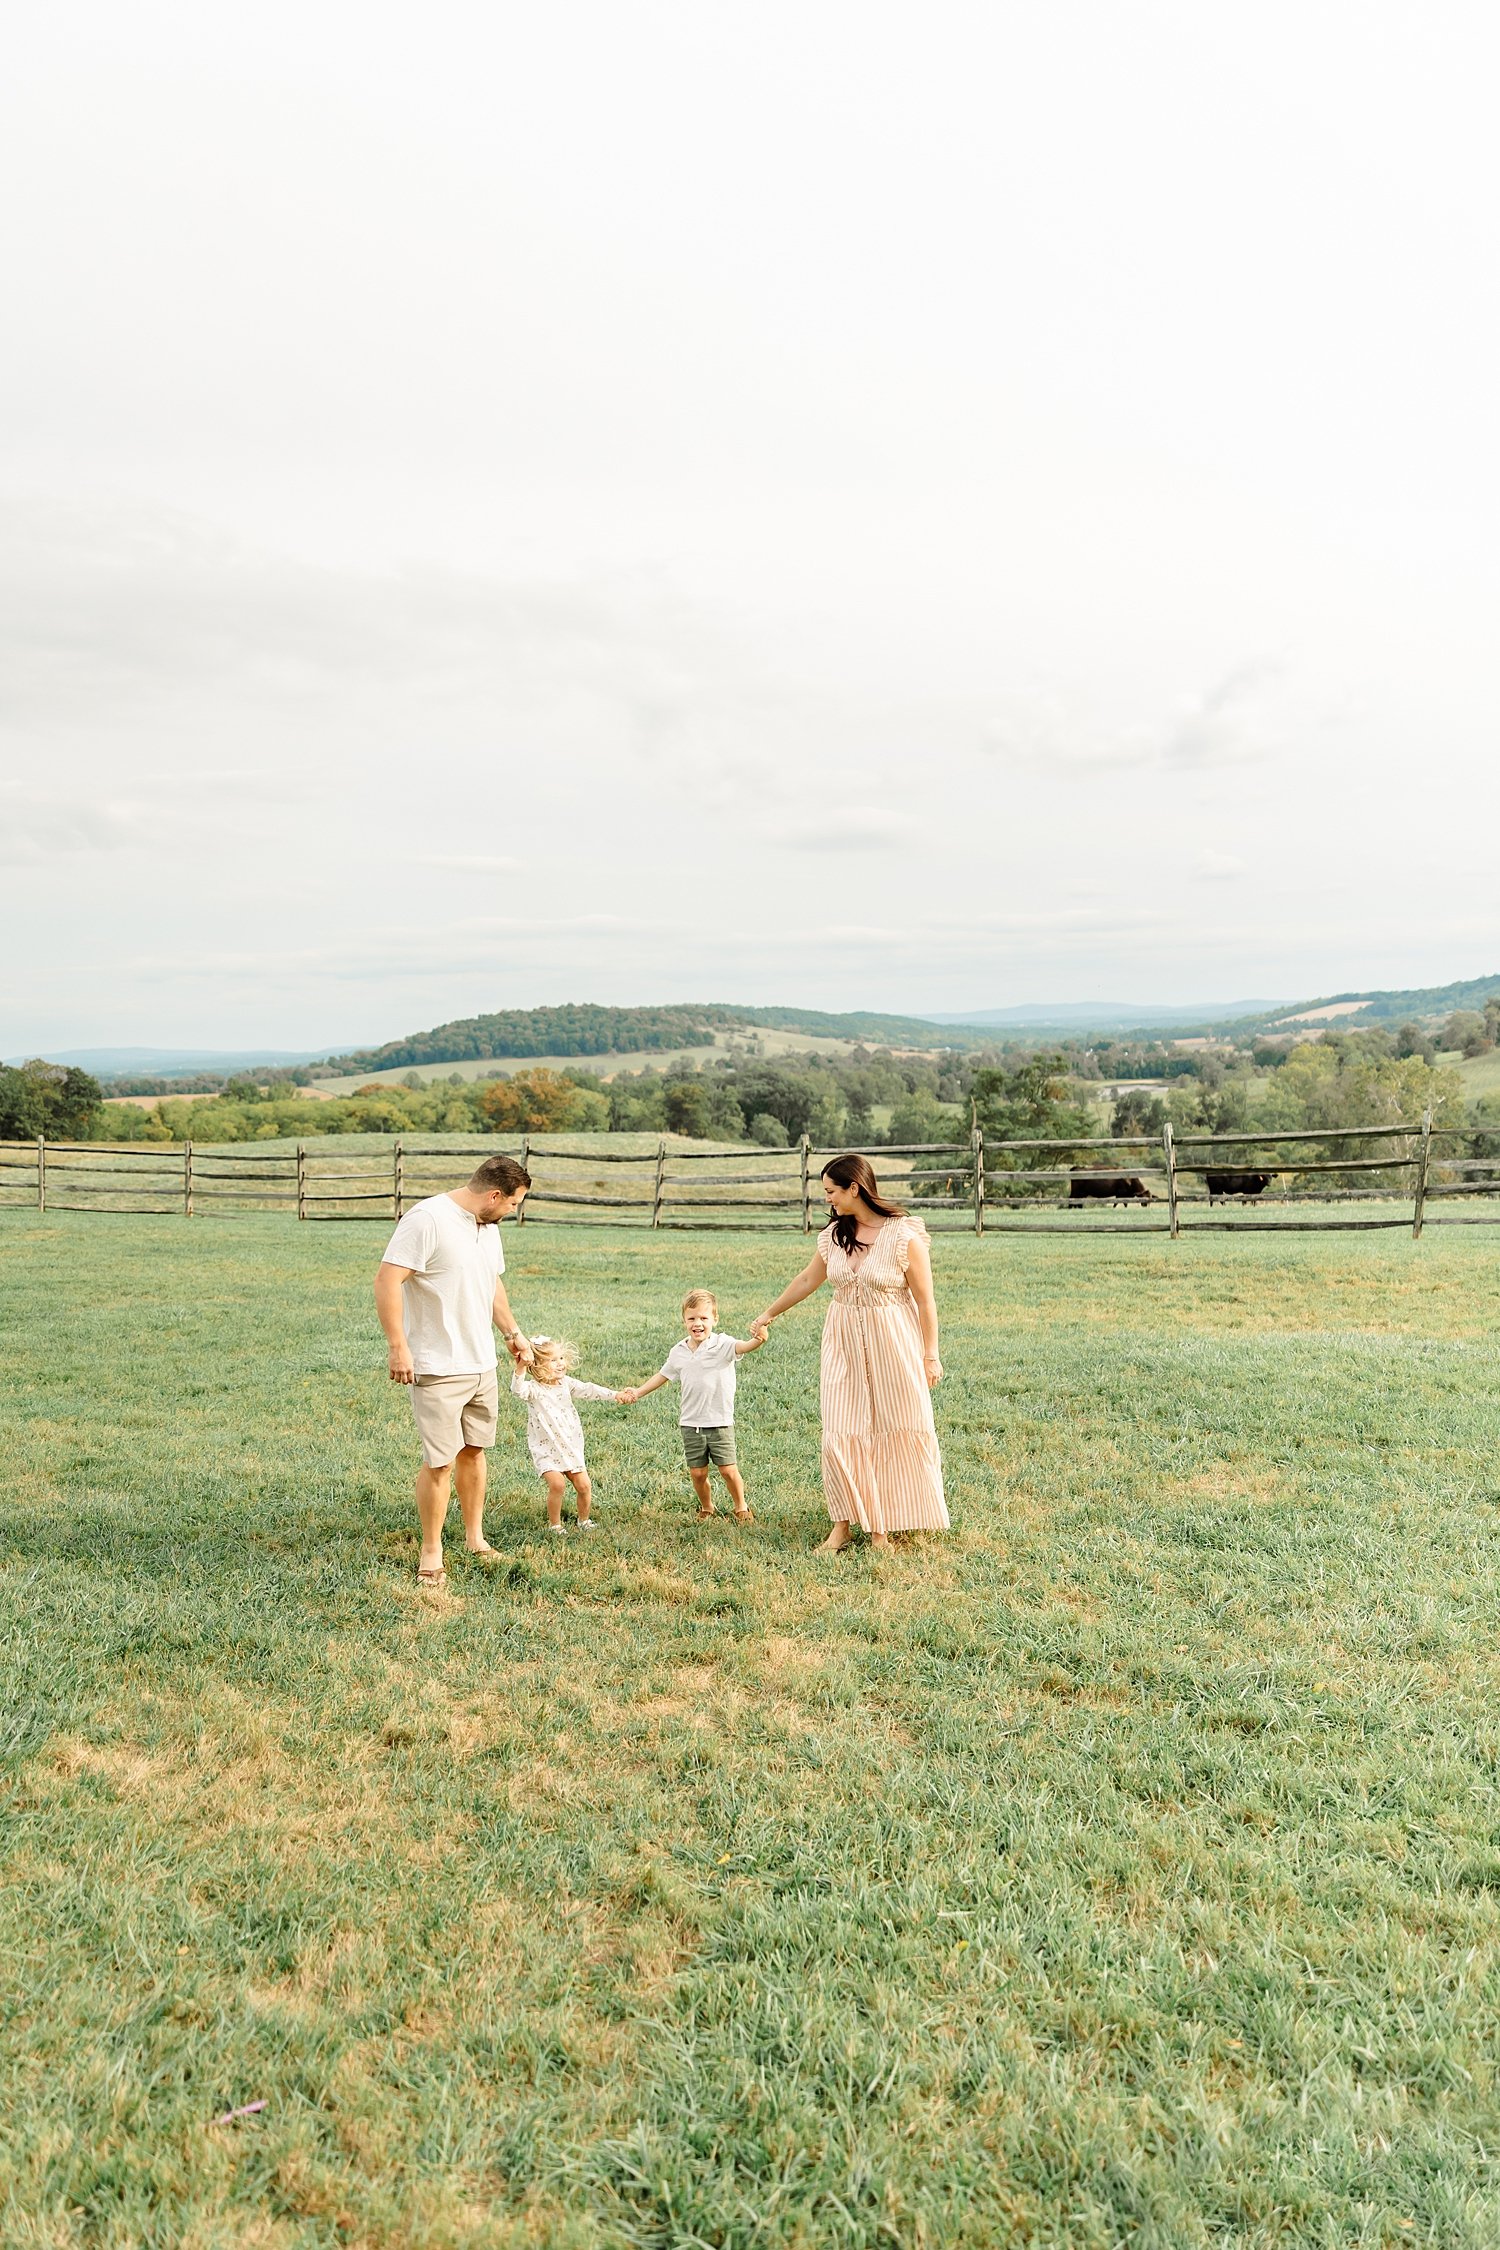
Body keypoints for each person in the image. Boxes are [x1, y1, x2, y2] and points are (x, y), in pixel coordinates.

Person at [751, 1154, 947, 1552]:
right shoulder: (833, 1236)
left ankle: (881, 1529)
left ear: (854, 1188)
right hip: (842, 1343)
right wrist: (769, 1313)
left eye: (831, 1191)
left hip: (893, 1341)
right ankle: (841, 1525)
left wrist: (931, 1355)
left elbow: (926, 1302)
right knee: (840, 1432)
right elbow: (808, 1279)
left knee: (892, 1428)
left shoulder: (904, 1235)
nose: (828, 1200)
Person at [374, 1153, 533, 1586]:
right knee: (440, 1462)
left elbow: (491, 1282)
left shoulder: (488, 1227)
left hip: (482, 1363)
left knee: (475, 1451)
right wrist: (398, 1347)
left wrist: (512, 1332)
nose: (512, 1212)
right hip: (438, 1366)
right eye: (513, 1204)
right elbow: (388, 1279)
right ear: (494, 1195)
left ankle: (475, 1537)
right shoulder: (427, 1219)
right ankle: (431, 1550)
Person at [621, 1288, 765, 1521]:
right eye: (692, 1318)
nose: (697, 1323)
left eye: (704, 1318)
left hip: (719, 1421)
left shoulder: (723, 1344)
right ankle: (707, 1507)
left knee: (728, 1470)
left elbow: (744, 1347)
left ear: (715, 1320)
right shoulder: (678, 1351)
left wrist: (758, 1339)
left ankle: (741, 1507)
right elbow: (662, 1376)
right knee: (698, 1472)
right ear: (684, 1320)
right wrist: (637, 1392)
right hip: (690, 1422)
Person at [509, 1336, 628, 1533]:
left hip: (570, 1444)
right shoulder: (534, 1389)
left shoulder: (565, 1383)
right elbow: (517, 1390)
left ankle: (584, 1520)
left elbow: (589, 1390)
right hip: (546, 1448)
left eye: (561, 1358)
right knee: (557, 1485)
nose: (560, 1363)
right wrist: (521, 1366)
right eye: (553, 1360)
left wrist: (615, 1394)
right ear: (537, 1365)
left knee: (584, 1485)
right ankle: (555, 1525)